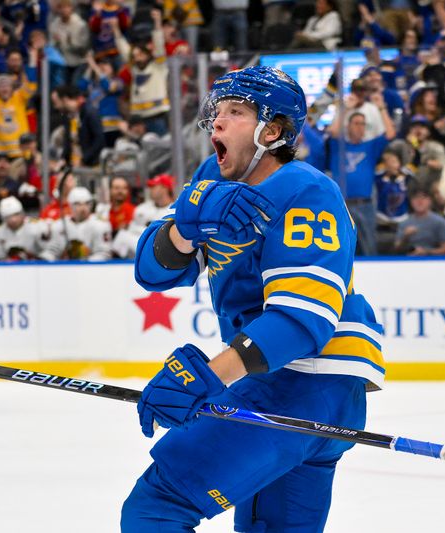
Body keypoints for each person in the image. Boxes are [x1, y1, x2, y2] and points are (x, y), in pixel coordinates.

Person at [122, 65, 384, 532]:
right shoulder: (212, 179)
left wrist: (209, 377)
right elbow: (151, 272)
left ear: (273, 130)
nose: (217, 122)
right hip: (308, 387)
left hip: (301, 380)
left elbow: (301, 319)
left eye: (236, 111)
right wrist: (185, 230)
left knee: (157, 506)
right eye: (216, 111)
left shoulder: (306, 190)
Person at [326, 93, 395, 255]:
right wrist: (345, 109)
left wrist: (381, 107)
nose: (360, 127)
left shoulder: (370, 146)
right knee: (340, 247)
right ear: (348, 125)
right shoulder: (339, 146)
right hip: (342, 204)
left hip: (365, 204)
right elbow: (333, 131)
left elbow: (390, 134)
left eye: (363, 124)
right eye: (356, 123)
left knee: (370, 246)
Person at [112, 173, 175, 258]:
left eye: (154, 186)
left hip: (162, 250)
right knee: (122, 235)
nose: (150, 189)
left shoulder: (175, 211)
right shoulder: (142, 208)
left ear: (164, 188)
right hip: (139, 246)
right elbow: (132, 230)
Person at [44, 186, 112, 260]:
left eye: (87, 203)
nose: (83, 208)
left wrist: (84, 264)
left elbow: (104, 254)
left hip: (92, 269)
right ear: (70, 205)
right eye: (78, 204)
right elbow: (51, 252)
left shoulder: (101, 225)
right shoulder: (59, 225)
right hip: (64, 268)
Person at [395, 185, 445, 256]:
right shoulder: (404, 222)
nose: (419, 201)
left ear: (430, 201)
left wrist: (426, 252)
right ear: (411, 201)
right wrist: (405, 237)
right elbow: (397, 249)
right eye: (415, 198)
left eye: (424, 198)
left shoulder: (441, 222)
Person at [0, 196, 54, 261]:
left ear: (22, 213)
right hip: (10, 268)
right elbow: (0, 258)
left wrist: (36, 260)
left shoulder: (37, 226)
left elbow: (49, 251)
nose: (13, 220)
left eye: (16, 214)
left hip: (37, 266)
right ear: (3, 219)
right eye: (8, 217)